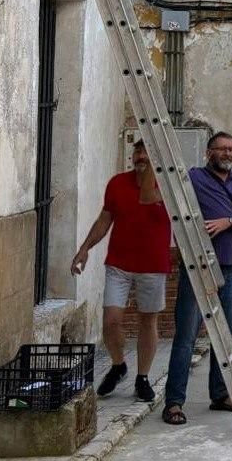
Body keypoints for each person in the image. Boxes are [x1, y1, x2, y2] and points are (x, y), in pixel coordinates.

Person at [162, 131, 232, 426]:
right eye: (222, 149)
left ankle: (220, 394)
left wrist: (228, 222)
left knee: (227, 336)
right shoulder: (193, 178)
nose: (229, 154)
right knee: (186, 337)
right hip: (197, 268)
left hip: (230, 269)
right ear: (209, 152)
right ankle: (174, 403)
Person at [71, 140, 171, 402]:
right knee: (111, 319)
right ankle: (118, 365)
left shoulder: (168, 188)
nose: (140, 157)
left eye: (146, 152)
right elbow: (105, 219)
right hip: (119, 264)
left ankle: (143, 377)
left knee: (147, 321)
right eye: (137, 152)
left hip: (153, 265)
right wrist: (85, 249)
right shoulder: (117, 183)